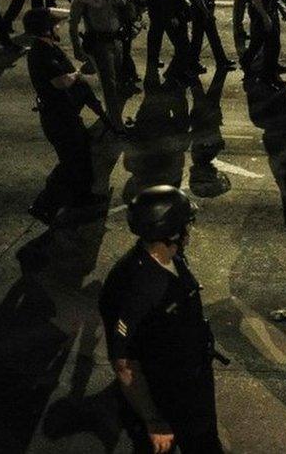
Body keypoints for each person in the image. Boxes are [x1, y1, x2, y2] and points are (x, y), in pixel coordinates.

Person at [99, 186, 224, 453]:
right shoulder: (137, 286)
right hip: (167, 392)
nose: (190, 227)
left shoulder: (169, 256)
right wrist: (154, 422)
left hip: (191, 377)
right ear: (171, 231)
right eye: (186, 222)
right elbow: (123, 364)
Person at [24, 8, 117, 225]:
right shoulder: (41, 53)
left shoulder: (49, 47)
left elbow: (63, 16)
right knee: (70, 162)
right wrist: (78, 73)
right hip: (58, 119)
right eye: (54, 25)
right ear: (45, 29)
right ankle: (43, 206)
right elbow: (60, 81)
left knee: (82, 156)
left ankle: (82, 197)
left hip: (66, 114)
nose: (58, 27)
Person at [70, 0, 134, 123]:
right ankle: (115, 123)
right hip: (100, 44)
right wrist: (77, 48)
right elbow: (73, 23)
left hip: (116, 41)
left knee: (119, 78)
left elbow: (123, 7)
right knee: (109, 84)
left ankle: (114, 115)